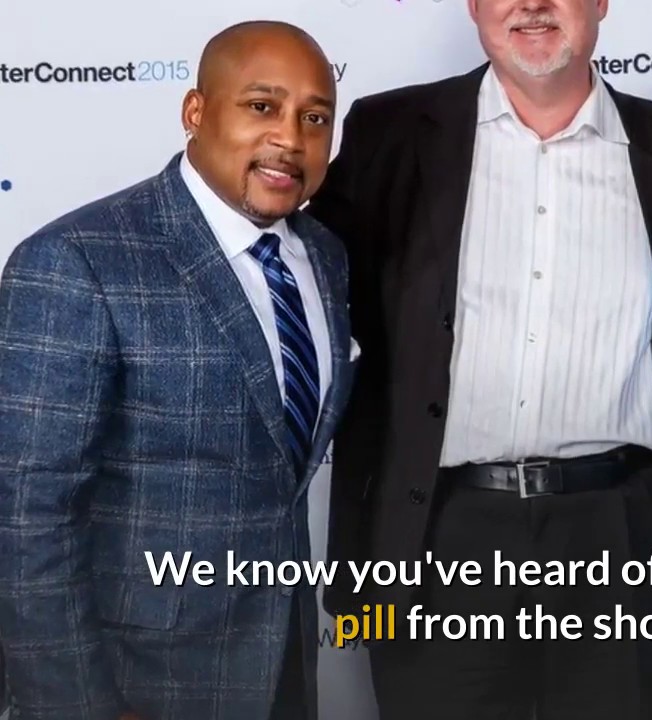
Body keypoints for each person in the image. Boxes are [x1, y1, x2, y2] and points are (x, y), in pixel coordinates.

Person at [303, 0, 652, 717]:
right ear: (475, 6)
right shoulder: (389, 132)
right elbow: (299, 279)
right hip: (436, 538)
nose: (532, 5)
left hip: (624, 536)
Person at [0, 21, 351, 720]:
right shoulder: (76, 261)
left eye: (315, 118)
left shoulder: (324, 255)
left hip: (283, 665)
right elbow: (25, 518)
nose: (290, 138)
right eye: (262, 106)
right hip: (136, 682)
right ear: (196, 111)